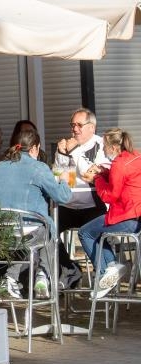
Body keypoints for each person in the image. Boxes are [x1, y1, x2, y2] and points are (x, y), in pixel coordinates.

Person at [0, 128, 72, 298]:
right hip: (30, 232)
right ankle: (43, 275)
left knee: (25, 235)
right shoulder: (39, 167)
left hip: (1, 232)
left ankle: (10, 278)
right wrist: (65, 179)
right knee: (47, 230)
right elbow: (63, 196)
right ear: (34, 149)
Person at [78, 128, 141, 297]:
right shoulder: (135, 156)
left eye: (104, 146)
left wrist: (97, 179)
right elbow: (123, 179)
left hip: (126, 216)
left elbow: (110, 196)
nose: (102, 150)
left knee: (85, 233)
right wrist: (104, 172)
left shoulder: (119, 164)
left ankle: (106, 273)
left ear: (113, 147)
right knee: (95, 231)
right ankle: (112, 267)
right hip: (136, 216)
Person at [54, 108, 109, 288]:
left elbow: (90, 175)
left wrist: (75, 151)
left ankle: (103, 276)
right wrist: (62, 156)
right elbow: (62, 179)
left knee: (98, 236)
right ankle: (69, 270)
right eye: (72, 125)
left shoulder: (102, 145)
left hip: (93, 206)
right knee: (46, 231)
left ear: (91, 128)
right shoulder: (67, 145)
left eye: (79, 125)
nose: (74, 129)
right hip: (68, 205)